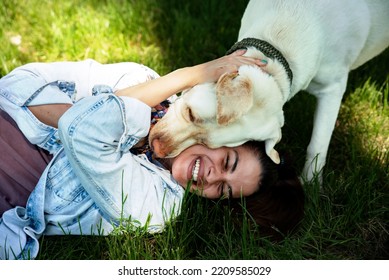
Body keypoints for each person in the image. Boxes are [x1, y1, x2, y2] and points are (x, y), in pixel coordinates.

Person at [0, 51, 304, 260]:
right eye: (227, 162)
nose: (213, 177)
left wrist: (187, 76)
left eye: (223, 190)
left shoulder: (158, 206)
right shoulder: (140, 75)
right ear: (224, 133)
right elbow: (19, 83)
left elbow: (81, 129)